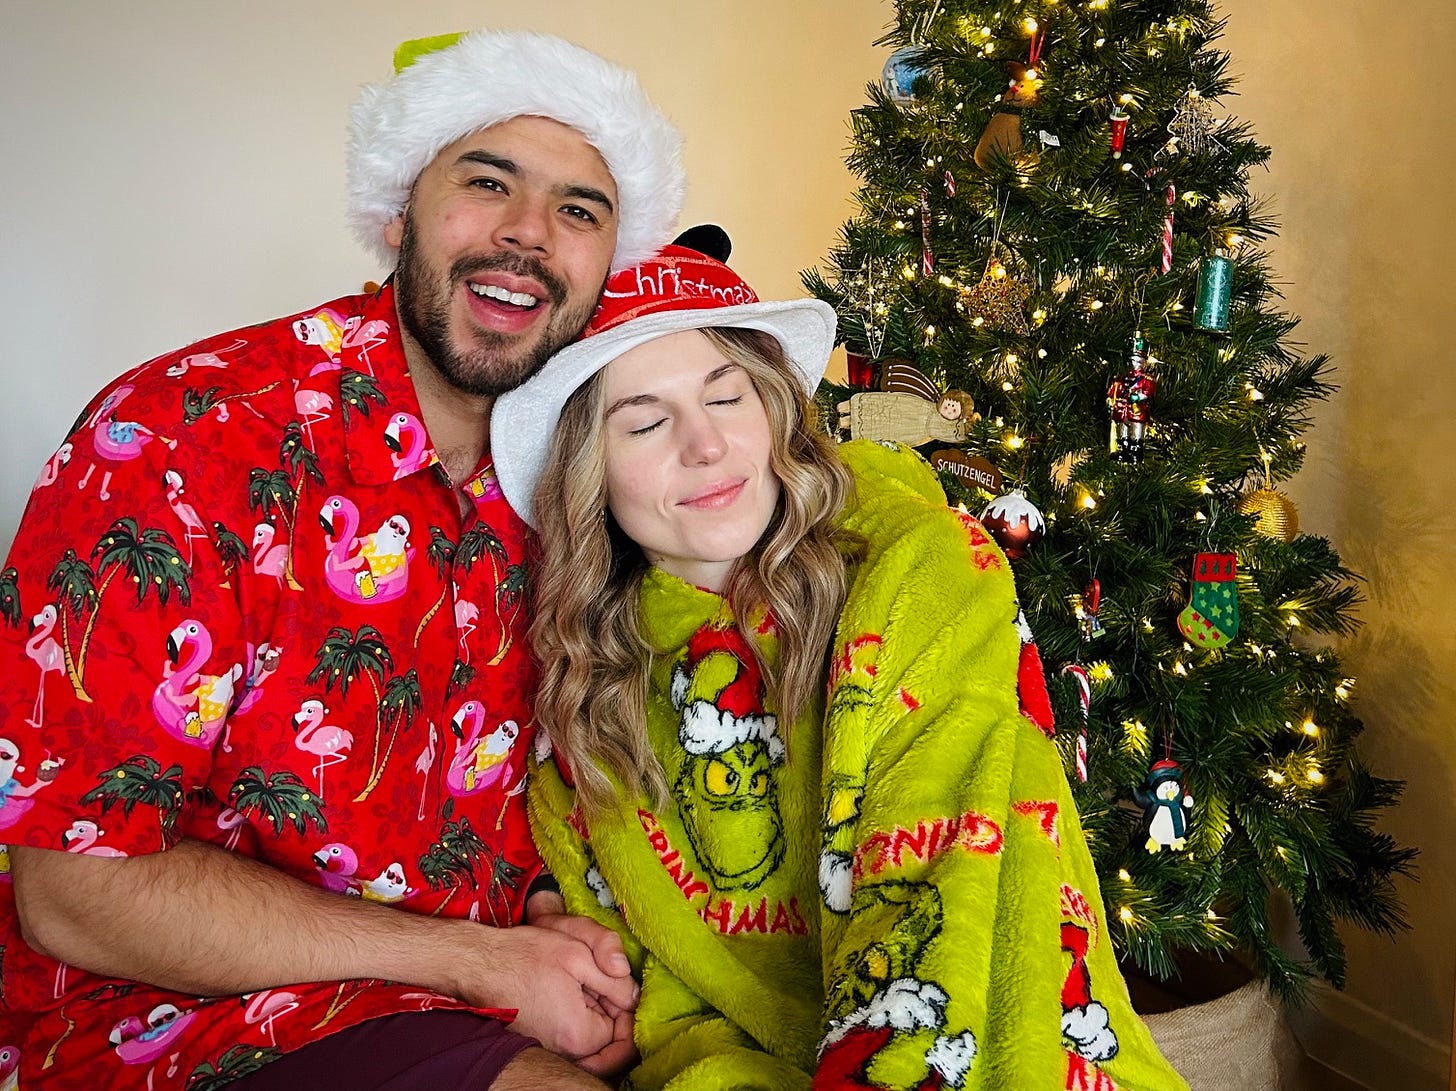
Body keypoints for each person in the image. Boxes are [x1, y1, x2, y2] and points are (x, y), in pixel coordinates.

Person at [0, 28, 684, 1090]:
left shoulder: (590, 477)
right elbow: (73, 891)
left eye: (578, 210)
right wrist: (479, 962)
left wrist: (560, 930)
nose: (526, 235)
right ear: (403, 206)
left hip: (480, 995)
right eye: (487, 180)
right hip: (173, 1016)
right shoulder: (181, 440)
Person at [492, 243, 1189, 1090]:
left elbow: (936, 873)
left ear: (777, 410)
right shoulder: (586, 689)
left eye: (726, 395)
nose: (706, 445)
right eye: (644, 421)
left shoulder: (926, 568)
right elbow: (660, 998)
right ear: (587, 476)